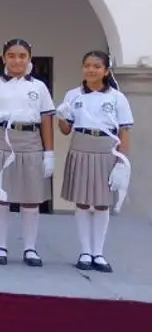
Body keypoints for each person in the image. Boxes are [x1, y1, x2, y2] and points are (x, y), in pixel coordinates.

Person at [0, 38, 55, 267]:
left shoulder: (38, 87)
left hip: (30, 140)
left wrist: (49, 153)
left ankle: (30, 248)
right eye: (12, 55)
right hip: (1, 138)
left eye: (22, 56)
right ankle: (0, 246)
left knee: (31, 198)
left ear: (29, 59)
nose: (17, 60)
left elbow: (46, 119)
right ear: (4, 58)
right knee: (1, 196)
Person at [57, 51, 132, 273]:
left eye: (97, 66)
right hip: (80, 145)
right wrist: (61, 116)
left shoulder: (117, 97)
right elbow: (65, 129)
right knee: (81, 201)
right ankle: (85, 251)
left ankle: (98, 252)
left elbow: (124, 130)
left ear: (106, 71)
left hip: (106, 148)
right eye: (87, 65)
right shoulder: (73, 95)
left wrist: (121, 161)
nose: (91, 70)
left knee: (101, 202)